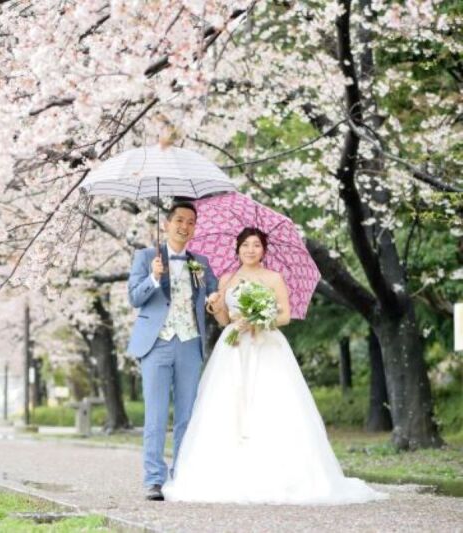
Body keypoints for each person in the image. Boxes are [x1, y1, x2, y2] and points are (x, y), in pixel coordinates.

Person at [162, 227, 386, 504]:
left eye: (256, 245)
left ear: (263, 250)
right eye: (245, 245)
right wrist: (215, 306)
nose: (250, 250)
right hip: (233, 347)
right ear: (237, 249)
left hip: (266, 345)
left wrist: (259, 319)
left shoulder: (273, 278)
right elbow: (223, 320)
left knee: (270, 402)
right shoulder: (227, 279)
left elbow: (286, 315)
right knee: (227, 405)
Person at [127, 201, 218, 501]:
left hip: (190, 342)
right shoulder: (145, 258)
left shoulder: (201, 262)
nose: (185, 226)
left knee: (187, 415)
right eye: (179, 220)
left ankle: (182, 475)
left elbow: (214, 299)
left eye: (191, 222)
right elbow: (134, 298)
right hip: (156, 343)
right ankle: (154, 479)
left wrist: (213, 299)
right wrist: (154, 277)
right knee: (155, 415)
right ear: (166, 224)